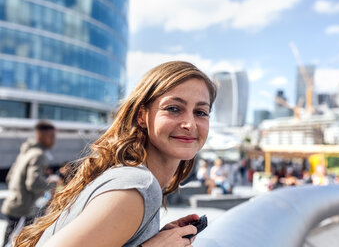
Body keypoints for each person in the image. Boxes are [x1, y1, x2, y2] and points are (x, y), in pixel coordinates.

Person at [14, 61, 217, 247]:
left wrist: (146, 236)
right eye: (173, 108)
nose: (189, 124)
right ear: (142, 116)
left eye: (200, 112)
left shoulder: (133, 180)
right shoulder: (138, 186)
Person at [1, 121, 56, 246]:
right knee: (19, 242)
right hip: (23, 208)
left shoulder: (25, 151)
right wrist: (52, 185)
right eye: (51, 137)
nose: (53, 141)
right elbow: (33, 183)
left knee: (8, 240)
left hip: (14, 201)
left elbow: (9, 177)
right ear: (42, 136)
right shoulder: (38, 154)